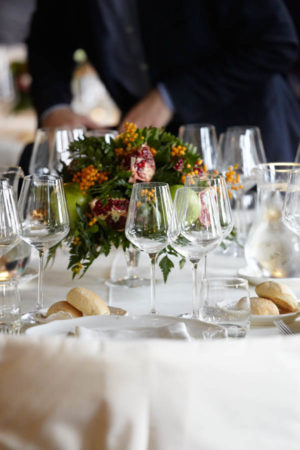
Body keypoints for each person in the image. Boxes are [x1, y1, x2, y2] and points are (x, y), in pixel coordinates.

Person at [25, 0, 300, 163]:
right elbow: (47, 43)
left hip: (246, 143)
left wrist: (169, 97)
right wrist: (56, 108)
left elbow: (276, 42)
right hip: (152, 149)